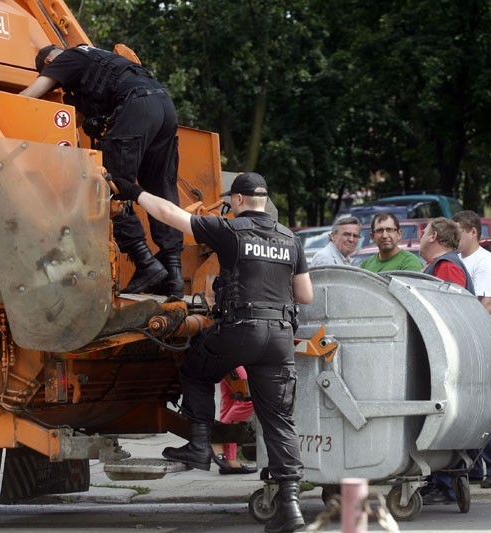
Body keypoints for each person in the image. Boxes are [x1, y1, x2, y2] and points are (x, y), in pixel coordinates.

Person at [110, 171, 312, 532]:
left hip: (241, 330)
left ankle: (199, 446)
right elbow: (305, 295)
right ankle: (290, 504)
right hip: (280, 337)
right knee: (279, 421)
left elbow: (172, 215)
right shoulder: (290, 239)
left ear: (236, 201)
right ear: (265, 201)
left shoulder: (230, 230)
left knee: (195, 369)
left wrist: (135, 191)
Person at [21, 44, 184, 296]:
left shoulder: (65, 58)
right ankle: (173, 273)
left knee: (108, 183)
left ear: (50, 61)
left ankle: (145, 262)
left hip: (137, 106)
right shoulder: (101, 60)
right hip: (163, 106)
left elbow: (30, 95)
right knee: (160, 187)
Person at [418, 216, 474, 505]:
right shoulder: (440, 265)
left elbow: (447, 313)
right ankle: (443, 481)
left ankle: (443, 483)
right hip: (441, 357)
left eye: (424, 231)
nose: (421, 236)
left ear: (434, 236)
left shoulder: (447, 266)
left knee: (441, 420)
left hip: (445, 359)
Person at [453, 210, 491, 489]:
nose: (455, 238)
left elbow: (486, 306)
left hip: (479, 335)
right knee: (468, 404)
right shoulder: (458, 260)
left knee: (487, 404)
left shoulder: (485, 262)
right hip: (463, 336)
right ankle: (473, 466)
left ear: (473, 232)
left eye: (458, 232)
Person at [212, 366, 258, 475]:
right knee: (247, 399)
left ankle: (229, 459)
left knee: (230, 401)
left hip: (230, 355)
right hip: (232, 354)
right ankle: (218, 441)